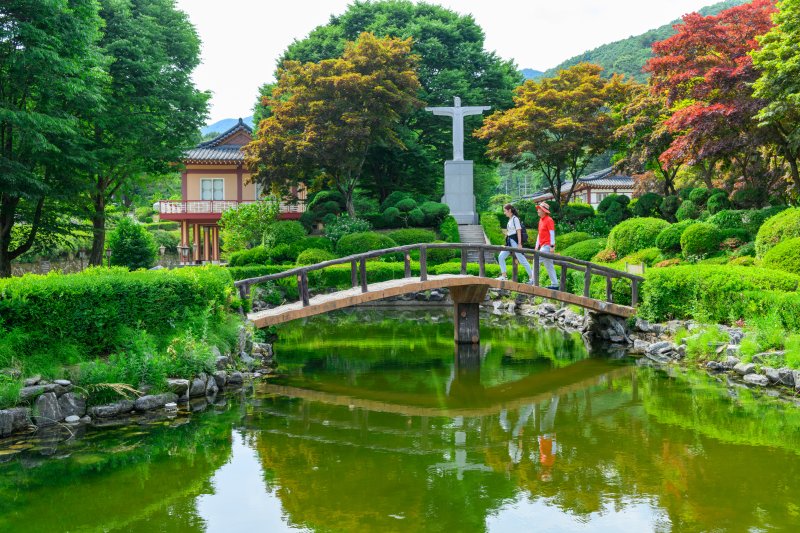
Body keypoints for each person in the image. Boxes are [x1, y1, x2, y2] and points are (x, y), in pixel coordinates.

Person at [496, 204, 534, 283]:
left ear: (509, 210)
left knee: (522, 260)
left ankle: (532, 278)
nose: (504, 213)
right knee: (501, 256)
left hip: (515, 242)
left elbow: (518, 231)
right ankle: (504, 276)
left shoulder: (515, 219)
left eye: (505, 211)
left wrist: (519, 243)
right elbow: (509, 233)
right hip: (509, 242)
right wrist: (506, 244)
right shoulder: (510, 220)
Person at [535, 202, 559, 290]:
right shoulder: (540, 220)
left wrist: (552, 246)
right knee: (549, 265)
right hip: (542, 246)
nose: (537, 210)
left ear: (544, 211)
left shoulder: (549, 220)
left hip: (547, 246)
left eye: (539, 209)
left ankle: (533, 280)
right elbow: (539, 234)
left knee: (536, 260)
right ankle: (555, 284)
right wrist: (536, 246)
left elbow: (552, 233)